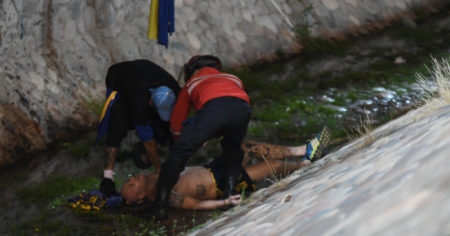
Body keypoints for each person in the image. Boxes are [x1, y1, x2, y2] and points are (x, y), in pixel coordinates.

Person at [147, 55, 252, 219]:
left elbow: (176, 124)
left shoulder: (191, 83)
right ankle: (230, 195)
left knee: (178, 153)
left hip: (214, 110)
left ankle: (159, 207)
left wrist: (183, 146)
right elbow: (231, 109)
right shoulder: (233, 78)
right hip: (243, 109)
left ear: (192, 70)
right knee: (232, 148)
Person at [120, 135, 331, 210]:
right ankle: (304, 163)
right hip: (219, 184)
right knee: (273, 166)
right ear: (140, 196)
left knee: (244, 147)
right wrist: (225, 203)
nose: (132, 179)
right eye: (131, 185)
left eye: (129, 181)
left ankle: (303, 153)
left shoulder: (153, 174)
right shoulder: (163, 196)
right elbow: (195, 205)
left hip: (212, 168)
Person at [96, 59, 181, 196]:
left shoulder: (176, 90)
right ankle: (107, 176)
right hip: (118, 77)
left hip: (146, 70)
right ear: (150, 102)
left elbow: (179, 123)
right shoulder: (139, 104)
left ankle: (169, 155)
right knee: (117, 124)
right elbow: (148, 141)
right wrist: (159, 170)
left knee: (167, 127)